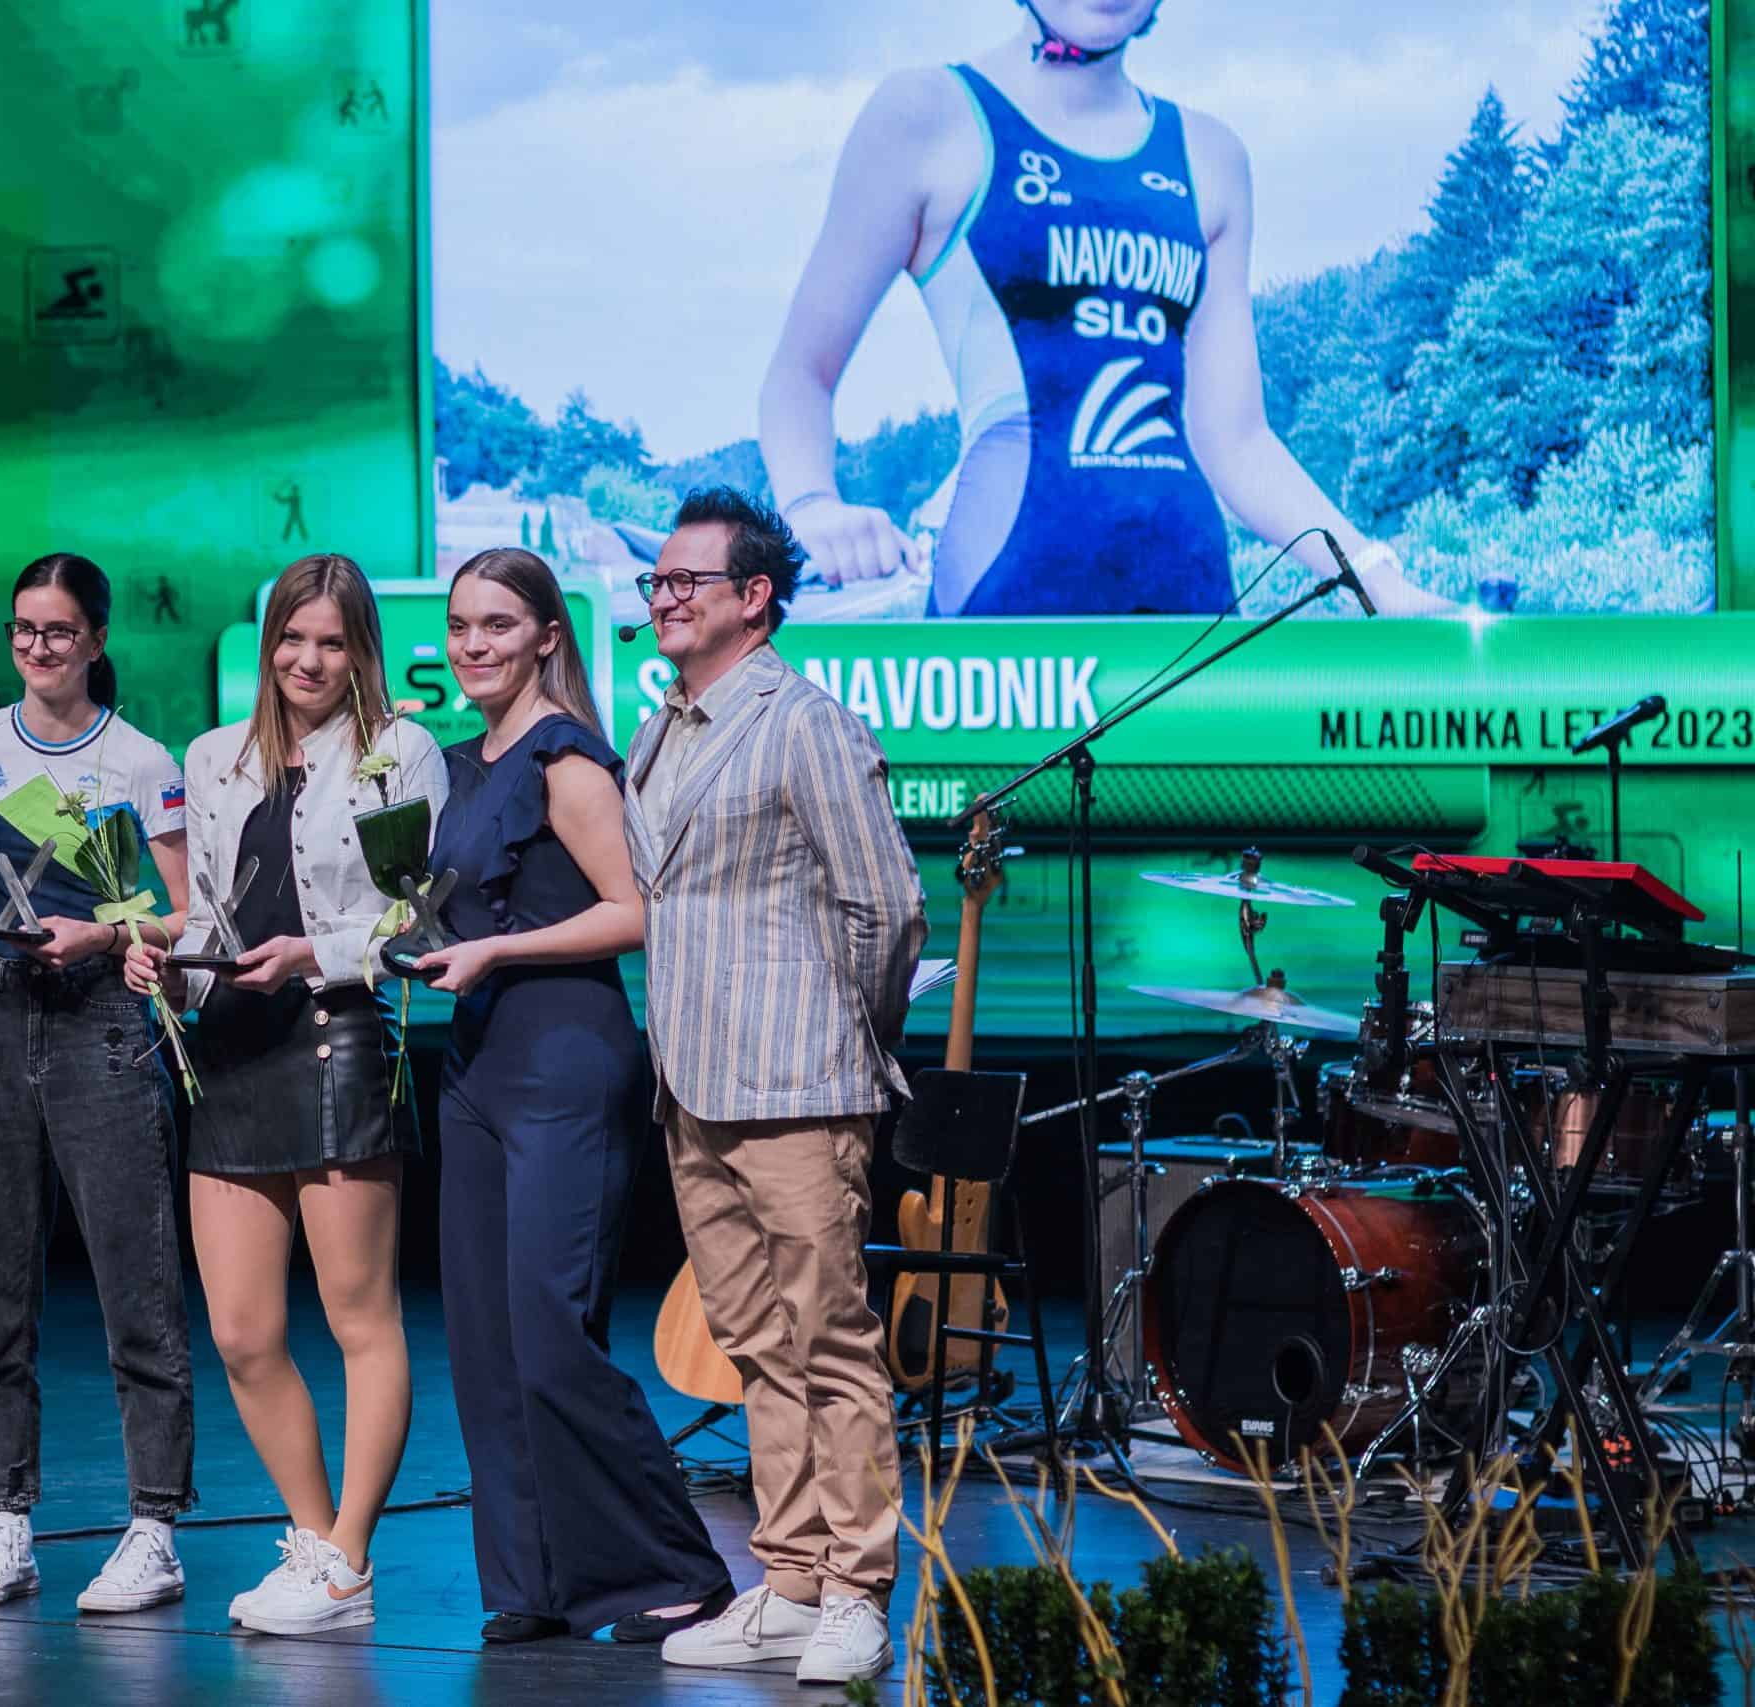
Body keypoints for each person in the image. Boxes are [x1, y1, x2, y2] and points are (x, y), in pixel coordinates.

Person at [758, 0, 1450, 616]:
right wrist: (812, 507)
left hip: (1190, 606)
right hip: (1005, 603)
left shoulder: (1211, 157)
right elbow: (801, 375)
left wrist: (1376, 576)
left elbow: (1237, 439)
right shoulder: (926, 117)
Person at [623, 489, 926, 1685]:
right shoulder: (662, 730)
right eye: (655, 582)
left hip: (798, 1080)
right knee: (754, 1343)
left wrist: (849, 1038)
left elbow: (885, 907)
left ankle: (857, 1588)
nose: (662, 599)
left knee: (830, 1340)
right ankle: (791, 1579)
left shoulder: (805, 723)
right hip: (691, 1082)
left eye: (684, 581)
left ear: (753, 598)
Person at [412, 548, 735, 1646]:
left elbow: (634, 910)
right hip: (477, 1064)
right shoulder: (464, 762)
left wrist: (496, 951)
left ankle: (676, 1570)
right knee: (486, 1338)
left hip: (565, 1058)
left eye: (498, 625)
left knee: (552, 1330)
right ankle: (533, 1581)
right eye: (461, 626)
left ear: (548, 635)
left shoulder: (567, 757)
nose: (474, 645)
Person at [124, 553, 444, 1636]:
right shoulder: (212, 756)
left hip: (333, 1034)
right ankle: (313, 1542)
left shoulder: (399, 751)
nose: (308, 661)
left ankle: (348, 1558)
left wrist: (318, 953)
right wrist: (166, 961)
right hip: (227, 1046)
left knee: (360, 1317)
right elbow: (211, 915)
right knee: (242, 1332)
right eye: (292, 640)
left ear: (361, 652)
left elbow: (417, 920)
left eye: (331, 642)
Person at [0, 552, 200, 1616]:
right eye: (24, 629)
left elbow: (187, 911)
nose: (39, 647)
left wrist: (105, 935)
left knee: (135, 1282)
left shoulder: (140, 760)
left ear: (97, 640)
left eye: (60, 631)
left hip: (99, 1018)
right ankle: (8, 1522)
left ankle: (154, 1527)